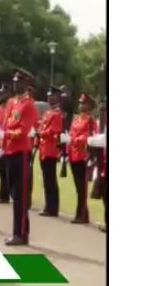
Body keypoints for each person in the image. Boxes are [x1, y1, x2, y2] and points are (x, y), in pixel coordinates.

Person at [0, 67, 37, 245]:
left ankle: (21, 233)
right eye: (14, 81)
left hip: (20, 152)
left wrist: (5, 135)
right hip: (9, 151)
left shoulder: (28, 105)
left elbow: (23, 130)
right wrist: (1, 143)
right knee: (14, 194)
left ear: (25, 84)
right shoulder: (11, 103)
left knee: (20, 195)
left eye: (19, 81)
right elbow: (6, 124)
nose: (15, 84)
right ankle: (18, 231)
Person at [62, 93, 99, 224]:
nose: (81, 105)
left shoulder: (91, 121)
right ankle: (82, 213)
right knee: (78, 187)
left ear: (89, 106)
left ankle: (82, 215)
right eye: (80, 103)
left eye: (83, 103)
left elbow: (91, 137)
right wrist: (67, 149)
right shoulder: (77, 119)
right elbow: (71, 134)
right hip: (73, 155)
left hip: (83, 156)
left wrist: (75, 140)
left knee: (82, 187)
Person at [37, 86, 63, 217]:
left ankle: (52, 208)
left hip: (50, 150)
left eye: (51, 95)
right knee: (46, 180)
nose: (49, 97)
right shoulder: (48, 113)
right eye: (48, 95)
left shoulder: (57, 113)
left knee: (50, 180)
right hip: (43, 149)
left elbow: (54, 131)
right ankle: (48, 205)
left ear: (57, 97)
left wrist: (40, 132)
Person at [0, 83, 12, 204]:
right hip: (0, 142)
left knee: (8, 171)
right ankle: (3, 194)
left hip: (9, 141)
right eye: (1, 92)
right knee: (1, 170)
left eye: (4, 92)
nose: (2, 94)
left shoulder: (11, 107)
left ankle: (7, 193)